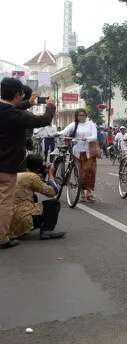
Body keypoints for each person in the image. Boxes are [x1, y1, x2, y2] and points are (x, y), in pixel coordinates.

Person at [0, 78, 56, 249]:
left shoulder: (9, 111)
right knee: (4, 202)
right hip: (6, 165)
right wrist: (51, 107)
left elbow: (13, 109)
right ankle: (2, 238)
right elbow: (43, 120)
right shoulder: (14, 114)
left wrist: (28, 103)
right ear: (17, 94)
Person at [11, 155, 64, 240]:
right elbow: (52, 192)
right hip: (21, 219)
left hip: (8, 222)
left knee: (34, 197)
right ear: (38, 169)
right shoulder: (31, 177)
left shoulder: (15, 174)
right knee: (54, 203)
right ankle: (46, 231)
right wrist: (50, 173)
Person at [59, 109, 99, 202]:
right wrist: (58, 134)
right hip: (77, 152)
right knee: (80, 173)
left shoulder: (91, 125)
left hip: (89, 152)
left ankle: (89, 193)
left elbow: (94, 136)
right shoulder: (74, 125)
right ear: (76, 116)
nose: (81, 117)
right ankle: (81, 193)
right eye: (79, 115)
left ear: (86, 115)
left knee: (89, 172)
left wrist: (86, 138)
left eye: (83, 115)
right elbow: (64, 132)